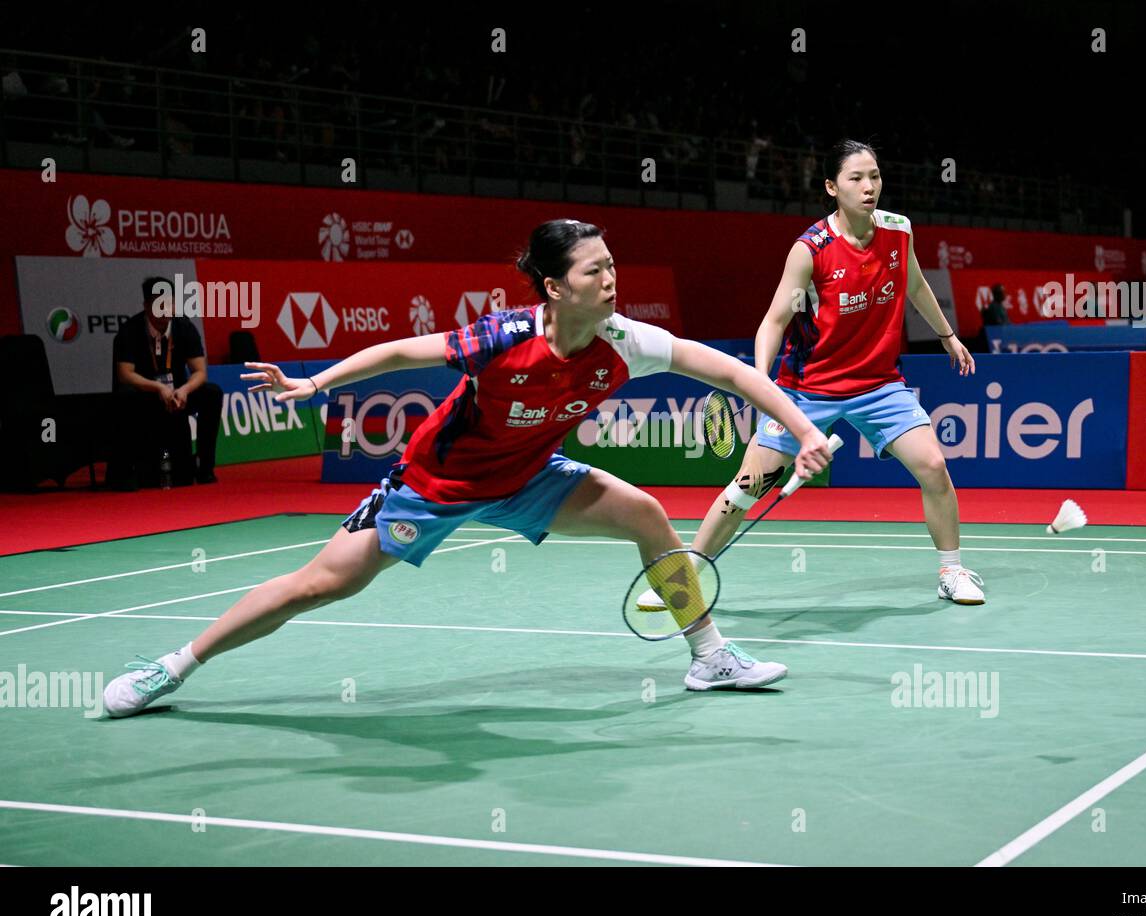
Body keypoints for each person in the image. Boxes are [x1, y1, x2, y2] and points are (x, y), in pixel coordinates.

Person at [102, 220, 832, 718]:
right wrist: (315, 385)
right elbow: (398, 352)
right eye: (594, 269)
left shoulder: (627, 341)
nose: (611, 278)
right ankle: (173, 666)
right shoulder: (502, 337)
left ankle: (708, 656)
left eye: (612, 265)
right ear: (554, 286)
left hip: (529, 478)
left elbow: (735, 377)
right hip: (433, 488)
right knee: (317, 585)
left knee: (644, 512)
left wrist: (800, 429)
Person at [639, 139, 986, 612]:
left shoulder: (898, 230)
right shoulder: (810, 250)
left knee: (933, 467)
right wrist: (759, 380)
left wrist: (947, 336)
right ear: (831, 187)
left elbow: (915, 283)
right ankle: (682, 576)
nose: (869, 187)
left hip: (879, 385)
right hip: (807, 390)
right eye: (856, 179)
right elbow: (775, 320)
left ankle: (951, 570)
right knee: (746, 489)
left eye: (875, 176)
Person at [106, 277, 223, 489]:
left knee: (212, 393)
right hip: (146, 394)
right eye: (160, 304)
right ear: (147, 306)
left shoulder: (184, 327)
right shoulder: (130, 330)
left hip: (179, 394)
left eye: (170, 303)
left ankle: (205, 468)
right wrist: (158, 387)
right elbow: (125, 374)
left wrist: (185, 390)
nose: (166, 309)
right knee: (125, 397)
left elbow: (199, 372)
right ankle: (128, 469)